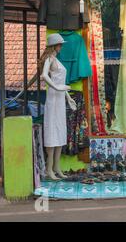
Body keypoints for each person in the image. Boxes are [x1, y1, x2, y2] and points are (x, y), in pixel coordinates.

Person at [39, 33, 76, 180]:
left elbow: (61, 83)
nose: (61, 47)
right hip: (53, 100)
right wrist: (57, 88)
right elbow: (44, 75)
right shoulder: (49, 59)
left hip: (60, 100)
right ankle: (49, 169)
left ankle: (57, 167)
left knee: (60, 132)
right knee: (52, 132)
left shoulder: (57, 60)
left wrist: (68, 97)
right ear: (54, 45)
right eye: (60, 44)